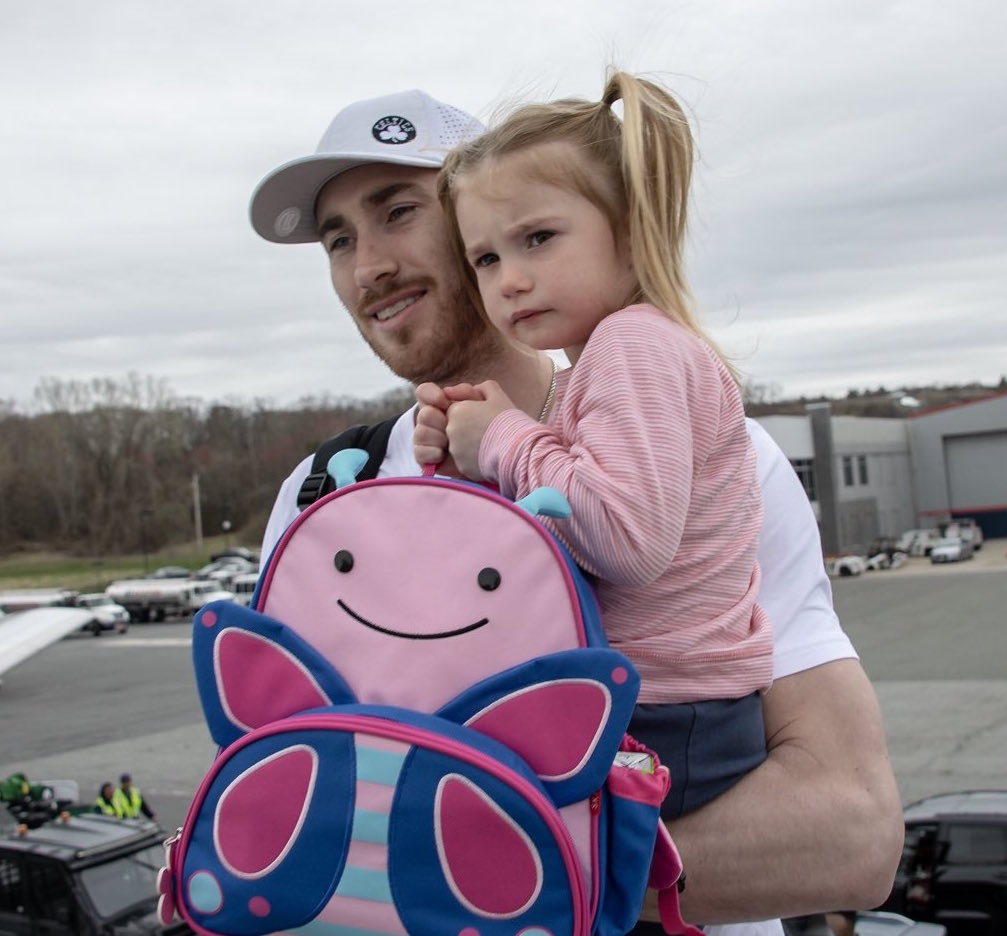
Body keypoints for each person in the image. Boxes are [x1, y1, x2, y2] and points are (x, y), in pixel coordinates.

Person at [250, 88, 903, 933]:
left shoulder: (715, 455)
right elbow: (300, 793)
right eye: (338, 239)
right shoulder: (323, 494)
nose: (367, 263)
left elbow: (849, 834)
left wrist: (475, 886)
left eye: (398, 212)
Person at [417, 71, 773, 830]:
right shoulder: (615, 355)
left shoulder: (630, 345)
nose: (510, 280)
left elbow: (625, 539)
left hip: (667, 716)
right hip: (673, 709)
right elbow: (574, 523)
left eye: (538, 238)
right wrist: (471, 461)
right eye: (484, 259)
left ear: (631, 224)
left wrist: (507, 437)